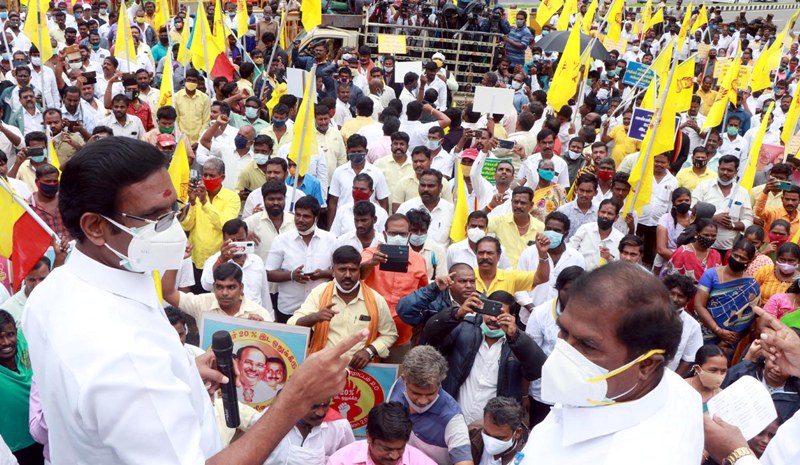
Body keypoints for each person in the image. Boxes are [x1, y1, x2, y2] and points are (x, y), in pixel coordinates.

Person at [23, 136, 373, 465]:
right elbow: (129, 377)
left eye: (173, 211)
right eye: (155, 218)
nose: (173, 228)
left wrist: (181, 375)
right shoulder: (122, 353)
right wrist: (294, 399)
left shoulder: (53, 291)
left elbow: (110, 401)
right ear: (95, 227)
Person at [519, 262, 701, 464]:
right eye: (563, 331)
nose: (564, 351)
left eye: (587, 344)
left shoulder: (633, 456)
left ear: (646, 365)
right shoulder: (600, 391)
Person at [422, 289, 545, 424]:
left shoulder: (518, 342)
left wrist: (515, 336)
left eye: (500, 314)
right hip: (453, 419)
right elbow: (430, 337)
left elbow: (537, 369)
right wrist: (456, 314)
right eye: (490, 312)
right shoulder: (463, 328)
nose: (493, 319)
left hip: (494, 427)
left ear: (512, 316)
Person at [289, 245, 398, 363]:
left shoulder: (376, 299)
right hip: (323, 368)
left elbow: (390, 334)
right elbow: (292, 325)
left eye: (353, 270)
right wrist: (315, 317)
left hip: (362, 373)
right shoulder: (319, 293)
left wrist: (370, 351)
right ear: (332, 271)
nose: (347, 275)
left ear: (359, 271)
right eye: (342, 269)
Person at [387, 346, 473, 465]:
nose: (422, 401)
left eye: (430, 394)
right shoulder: (397, 387)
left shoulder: (452, 418)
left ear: (439, 383)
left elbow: (465, 462)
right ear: (403, 380)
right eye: (416, 393)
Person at [360, 214, 429, 361]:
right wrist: (372, 262)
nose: (397, 237)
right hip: (368, 333)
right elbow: (358, 274)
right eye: (393, 233)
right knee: (365, 381)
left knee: (397, 378)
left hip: (401, 336)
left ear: (409, 234)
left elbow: (422, 295)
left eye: (402, 234)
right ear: (385, 234)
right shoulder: (369, 253)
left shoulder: (418, 260)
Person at [525, 267, 585, 426]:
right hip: (543, 392)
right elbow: (528, 356)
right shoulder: (540, 313)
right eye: (567, 289)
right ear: (558, 289)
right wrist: (524, 395)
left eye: (578, 289)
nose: (572, 294)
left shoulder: (593, 314)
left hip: (576, 393)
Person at [266, 196, 335, 323]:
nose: (300, 220)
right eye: (297, 215)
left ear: (316, 217)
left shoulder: (330, 240)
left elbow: (339, 272)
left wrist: (322, 274)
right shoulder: (281, 240)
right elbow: (268, 274)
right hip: (288, 308)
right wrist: (292, 275)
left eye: (306, 216)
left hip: (320, 308)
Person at [181, 158, 242, 290]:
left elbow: (225, 225)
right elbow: (186, 226)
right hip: (195, 259)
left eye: (212, 175)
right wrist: (191, 203)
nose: (207, 178)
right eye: (205, 175)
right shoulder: (196, 195)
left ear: (222, 177)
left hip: (219, 260)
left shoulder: (232, 198)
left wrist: (204, 203)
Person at [694, 238, 760, 355]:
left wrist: (726, 339)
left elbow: (747, 317)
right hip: (702, 332)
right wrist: (718, 330)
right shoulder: (711, 274)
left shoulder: (751, 285)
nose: (737, 260)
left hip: (727, 342)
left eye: (742, 258)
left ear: (749, 262)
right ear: (730, 253)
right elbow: (699, 305)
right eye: (736, 255)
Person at [326, 402, 437, 465]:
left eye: (400, 449)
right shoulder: (342, 461)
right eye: (387, 449)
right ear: (369, 437)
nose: (394, 456)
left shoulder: (422, 462)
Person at [517, 211, 585, 313]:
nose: (551, 233)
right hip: (528, 317)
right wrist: (532, 309)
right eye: (548, 229)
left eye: (557, 230)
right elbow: (519, 285)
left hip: (559, 318)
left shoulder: (576, 258)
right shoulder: (529, 253)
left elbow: (578, 290)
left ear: (565, 233)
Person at [199, 219, 271, 311]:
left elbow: (264, 294)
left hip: (255, 317)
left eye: (240, 240)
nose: (237, 245)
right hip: (227, 316)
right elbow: (207, 285)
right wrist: (221, 260)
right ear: (224, 240)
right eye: (232, 241)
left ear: (247, 238)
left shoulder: (257, 261)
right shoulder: (213, 261)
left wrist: (270, 317)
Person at [724, 335, 800, 422]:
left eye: (784, 367)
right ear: (766, 359)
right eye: (774, 363)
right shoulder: (744, 373)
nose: (777, 369)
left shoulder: (796, 396)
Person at [0, 310, 42, 465]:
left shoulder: (26, 341)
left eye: (9, 335)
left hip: (46, 434)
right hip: (17, 448)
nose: (5, 342)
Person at [260, 399, 355, 465]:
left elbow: (350, 459)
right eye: (313, 407)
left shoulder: (339, 425)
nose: (320, 413)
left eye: (325, 405)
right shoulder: (270, 418)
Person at [691, 155, 753, 256]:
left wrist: (732, 225)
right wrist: (713, 218)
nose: (725, 173)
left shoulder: (742, 192)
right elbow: (691, 211)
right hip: (701, 245)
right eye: (722, 169)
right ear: (718, 169)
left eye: (729, 170)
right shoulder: (704, 186)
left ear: (736, 172)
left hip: (727, 249)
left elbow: (748, 220)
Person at [396, 263, 477, 334]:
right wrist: (433, 288)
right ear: (450, 282)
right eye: (463, 281)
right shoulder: (434, 303)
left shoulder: (481, 303)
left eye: (472, 281)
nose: (469, 286)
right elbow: (404, 311)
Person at [474, 236, 550, 298]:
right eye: (481, 253)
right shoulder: (467, 277)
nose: (484, 257)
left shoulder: (510, 277)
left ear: (499, 256)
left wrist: (542, 254)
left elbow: (541, 278)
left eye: (490, 253)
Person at [488, 187, 545, 267]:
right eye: (515, 202)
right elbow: (475, 225)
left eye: (523, 203)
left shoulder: (540, 227)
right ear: (511, 202)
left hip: (529, 277)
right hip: (505, 276)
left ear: (531, 205)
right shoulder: (499, 221)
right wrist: (490, 207)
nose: (518, 206)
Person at [662, 274, 704, 376]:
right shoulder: (647, 312)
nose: (675, 299)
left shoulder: (693, 326)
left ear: (688, 300)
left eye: (680, 296)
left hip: (666, 374)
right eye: (672, 293)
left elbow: (688, 359)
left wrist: (672, 381)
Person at [467, 397, 527, 465]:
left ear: (517, 433)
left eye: (499, 438)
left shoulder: (526, 458)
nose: (490, 442)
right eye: (486, 433)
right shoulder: (471, 434)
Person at [569, 198, 625, 270]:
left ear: (616, 217)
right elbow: (570, 250)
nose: (605, 216)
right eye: (603, 212)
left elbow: (621, 266)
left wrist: (609, 258)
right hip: (580, 275)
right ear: (598, 212)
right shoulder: (585, 229)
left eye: (610, 214)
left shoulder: (620, 239)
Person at [446, 212, 513, 270]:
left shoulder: (499, 249)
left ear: (486, 230)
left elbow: (507, 272)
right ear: (466, 228)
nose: (477, 229)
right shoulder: (453, 250)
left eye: (481, 227)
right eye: (473, 226)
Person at [662, 218, 722, 282]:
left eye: (713, 236)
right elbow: (671, 279)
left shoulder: (716, 255)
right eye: (706, 235)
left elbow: (719, 279)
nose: (710, 238)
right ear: (696, 234)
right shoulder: (682, 253)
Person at [655, 188, 693, 273]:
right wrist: (684, 262)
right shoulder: (665, 219)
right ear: (674, 203)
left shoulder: (695, 217)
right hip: (669, 260)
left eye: (687, 200)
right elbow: (661, 249)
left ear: (691, 201)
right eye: (680, 201)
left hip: (692, 263)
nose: (684, 203)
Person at [174, 68, 211, 144]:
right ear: (185, 80)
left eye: (194, 81)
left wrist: (199, 141)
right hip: (181, 141)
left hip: (199, 142)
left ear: (197, 82)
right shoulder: (176, 97)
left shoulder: (205, 98)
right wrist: (181, 140)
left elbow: (206, 122)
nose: (191, 82)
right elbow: (176, 121)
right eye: (189, 80)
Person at [557, 173, 598, 238]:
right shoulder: (563, 211)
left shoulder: (599, 213)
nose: (584, 194)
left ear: (595, 193)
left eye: (588, 191)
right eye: (581, 190)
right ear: (576, 190)